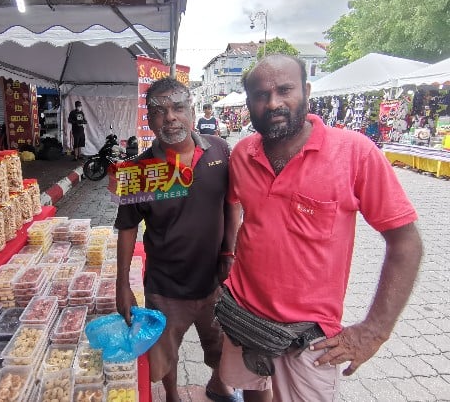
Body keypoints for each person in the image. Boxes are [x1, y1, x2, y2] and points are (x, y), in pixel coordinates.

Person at [218, 54, 423, 401]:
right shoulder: (242, 154)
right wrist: (229, 255)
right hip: (244, 314)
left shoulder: (354, 152)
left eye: (285, 90)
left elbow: (406, 243)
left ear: (306, 90)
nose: (274, 103)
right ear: (248, 102)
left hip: (310, 336)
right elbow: (236, 205)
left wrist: (373, 331)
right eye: (260, 95)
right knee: (253, 393)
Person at [114, 77, 242, 402]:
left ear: (193, 110)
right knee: (164, 356)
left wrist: (230, 251)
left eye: (178, 107)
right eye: (159, 111)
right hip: (166, 287)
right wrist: (122, 285)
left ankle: (219, 383)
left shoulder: (220, 150)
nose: (170, 117)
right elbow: (128, 227)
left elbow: (232, 203)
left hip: (215, 282)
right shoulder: (138, 169)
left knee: (221, 344)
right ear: (149, 120)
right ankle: (171, 395)